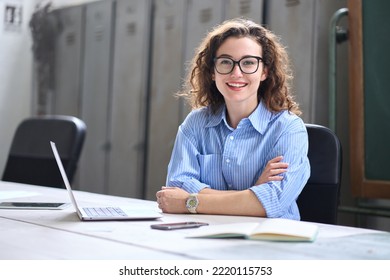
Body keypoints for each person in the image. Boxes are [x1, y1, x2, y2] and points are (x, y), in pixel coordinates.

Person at [156, 18, 310, 220]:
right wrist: (252, 194)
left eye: (248, 63)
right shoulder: (195, 124)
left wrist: (189, 202)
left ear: (264, 71)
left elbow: (273, 201)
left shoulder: (288, 129)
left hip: (269, 243)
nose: (236, 73)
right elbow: (176, 188)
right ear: (212, 71)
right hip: (206, 238)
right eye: (226, 62)